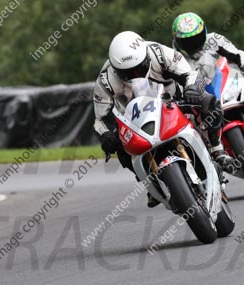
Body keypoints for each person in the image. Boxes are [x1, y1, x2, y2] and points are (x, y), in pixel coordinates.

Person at [93, 31, 233, 206]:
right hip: (136, 117)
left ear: (145, 57)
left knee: (207, 101)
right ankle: (150, 182)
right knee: (120, 146)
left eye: (139, 67)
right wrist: (106, 134)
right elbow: (100, 117)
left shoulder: (160, 53)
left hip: (172, 99)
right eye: (127, 72)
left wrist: (190, 88)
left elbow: (189, 73)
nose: (135, 74)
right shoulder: (106, 79)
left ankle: (217, 149)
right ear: (116, 68)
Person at [170, 12, 244, 136]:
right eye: (186, 42)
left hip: (223, 80)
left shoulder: (214, 40)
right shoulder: (173, 57)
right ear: (176, 40)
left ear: (204, 32)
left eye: (196, 39)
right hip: (199, 98)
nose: (192, 45)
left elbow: (238, 53)